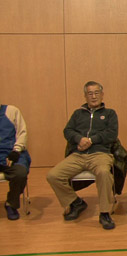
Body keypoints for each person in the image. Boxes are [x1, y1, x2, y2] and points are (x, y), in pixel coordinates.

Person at [47, 81, 118, 230]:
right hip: (78, 155)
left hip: (100, 154)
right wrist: (79, 139)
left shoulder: (110, 113)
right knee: (53, 175)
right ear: (85, 96)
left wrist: (91, 140)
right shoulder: (77, 114)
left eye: (96, 93)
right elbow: (67, 131)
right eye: (90, 93)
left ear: (102, 94)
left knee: (104, 173)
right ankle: (75, 202)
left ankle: (104, 212)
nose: (93, 96)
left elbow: (111, 134)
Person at [0, 104, 31, 220]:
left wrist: (16, 151)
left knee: (20, 173)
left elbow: (22, 133)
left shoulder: (12, 111)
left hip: (13, 153)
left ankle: (11, 204)